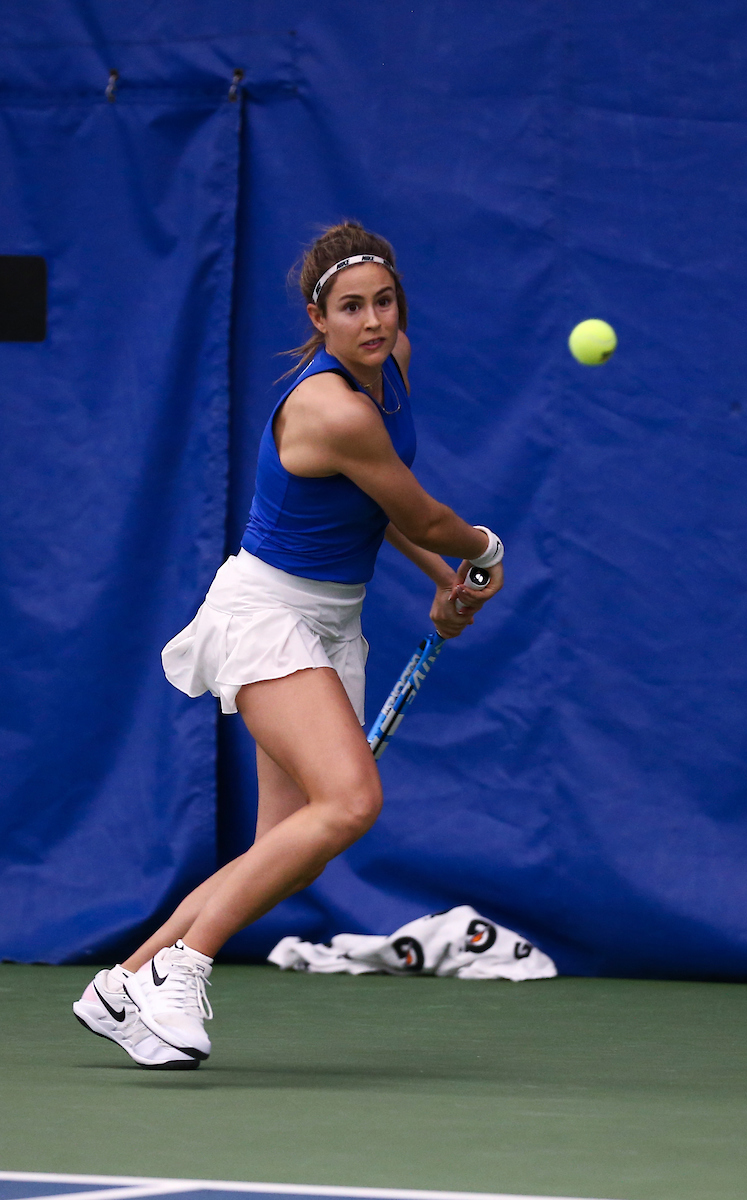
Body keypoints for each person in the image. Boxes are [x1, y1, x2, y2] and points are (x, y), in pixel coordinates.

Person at [72, 221, 504, 1069]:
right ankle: (185, 969)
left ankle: (126, 981)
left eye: (383, 302)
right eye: (351, 308)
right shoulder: (329, 406)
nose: (373, 322)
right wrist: (480, 552)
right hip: (267, 616)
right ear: (319, 316)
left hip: (330, 623)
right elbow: (422, 515)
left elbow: (382, 509)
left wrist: (439, 584)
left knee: (289, 850)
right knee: (351, 803)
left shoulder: (391, 368)